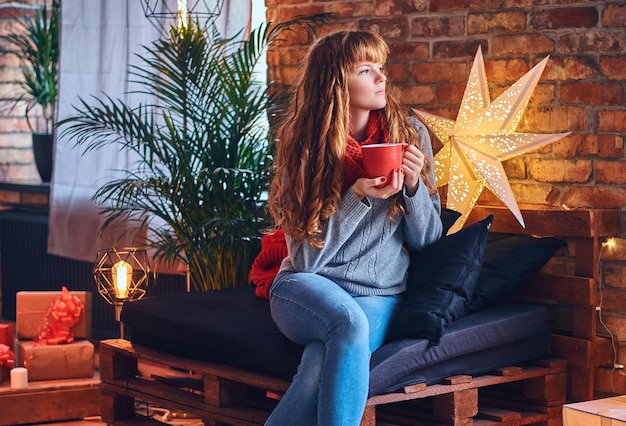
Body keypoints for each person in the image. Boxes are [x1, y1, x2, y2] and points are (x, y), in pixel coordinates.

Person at [265, 30, 443, 426]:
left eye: (381, 67)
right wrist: (359, 198)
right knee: (347, 322)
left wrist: (413, 189)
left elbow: (428, 239)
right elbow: (307, 260)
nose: (382, 78)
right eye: (366, 69)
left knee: (319, 361)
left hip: (376, 294)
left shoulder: (411, 135)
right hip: (303, 288)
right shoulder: (305, 146)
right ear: (335, 82)